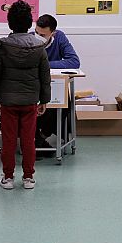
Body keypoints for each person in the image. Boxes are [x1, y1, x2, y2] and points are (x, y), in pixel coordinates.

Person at [0, 1, 51, 190]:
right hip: (30, 102)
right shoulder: (39, 48)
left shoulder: (2, 47)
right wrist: (44, 100)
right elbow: (45, 77)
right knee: (28, 140)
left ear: (9, 23)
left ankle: (7, 177)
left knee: (8, 140)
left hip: (8, 102)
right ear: (30, 23)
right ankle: (28, 178)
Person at [33, 14, 80, 155]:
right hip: (33, 85)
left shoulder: (59, 37)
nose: (38, 36)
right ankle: (32, 139)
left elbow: (74, 61)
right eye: (36, 32)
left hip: (54, 84)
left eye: (42, 34)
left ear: (52, 33)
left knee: (65, 103)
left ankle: (41, 137)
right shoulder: (29, 38)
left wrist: (44, 64)